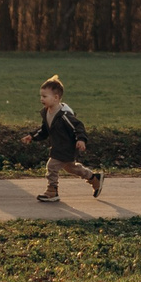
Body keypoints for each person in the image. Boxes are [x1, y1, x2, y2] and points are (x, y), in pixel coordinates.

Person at [28, 74, 102, 203]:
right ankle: (93, 177)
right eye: (41, 96)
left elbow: (78, 126)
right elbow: (45, 130)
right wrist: (32, 136)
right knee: (71, 168)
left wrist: (81, 139)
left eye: (44, 96)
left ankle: (52, 191)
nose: (41, 99)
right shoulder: (47, 112)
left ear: (56, 98)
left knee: (52, 166)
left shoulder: (64, 116)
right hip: (58, 146)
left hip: (66, 147)